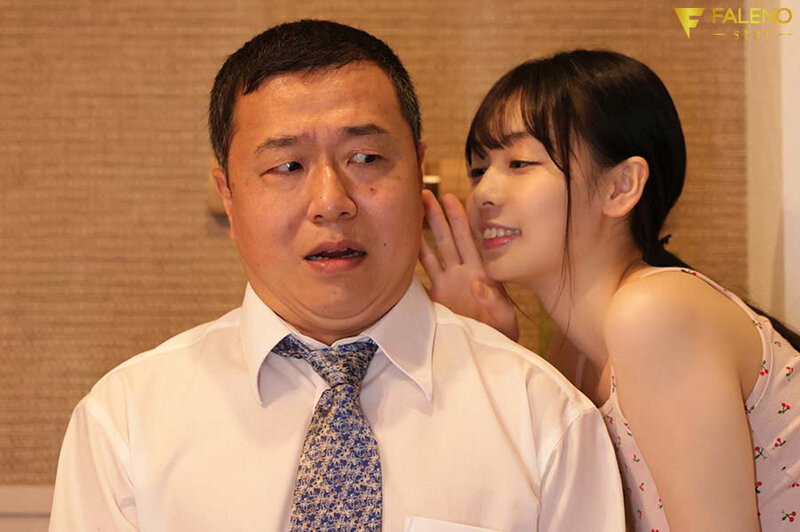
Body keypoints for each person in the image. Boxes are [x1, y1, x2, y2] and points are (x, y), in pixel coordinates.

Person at [49, 22, 625, 531]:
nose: (331, 202)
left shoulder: (544, 417)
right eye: (287, 166)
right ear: (228, 195)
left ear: (418, 171)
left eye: (366, 159)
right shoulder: (124, 423)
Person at [420, 49, 800, 531]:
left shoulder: (656, 312)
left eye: (518, 163)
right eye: (480, 169)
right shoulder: (570, 355)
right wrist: (487, 350)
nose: (484, 194)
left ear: (621, 187)